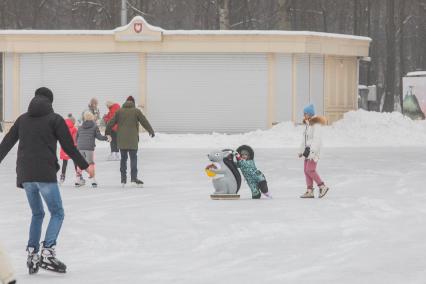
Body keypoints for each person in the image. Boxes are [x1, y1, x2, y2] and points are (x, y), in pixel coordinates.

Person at [0, 87, 92, 274]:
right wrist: (85, 165)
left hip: (26, 176)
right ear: (50, 101)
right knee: (57, 212)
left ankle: (33, 253)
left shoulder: (22, 119)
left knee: (37, 214)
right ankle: (48, 251)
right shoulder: (54, 119)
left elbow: (7, 142)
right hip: (45, 174)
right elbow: (69, 146)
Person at [105, 96, 155, 187]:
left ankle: (123, 180)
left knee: (123, 160)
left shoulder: (119, 111)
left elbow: (110, 123)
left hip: (122, 140)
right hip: (133, 140)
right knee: (133, 159)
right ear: (133, 102)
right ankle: (133, 179)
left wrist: (107, 132)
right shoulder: (136, 111)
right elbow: (144, 121)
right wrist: (150, 131)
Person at [298, 104, 330, 198]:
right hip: (307, 151)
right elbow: (304, 140)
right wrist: (301, 151)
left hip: (314, 151)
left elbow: (317, 139)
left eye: (305, 113)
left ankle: (322, 186)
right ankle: (309, 191)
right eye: (304, 113)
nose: (304, 115)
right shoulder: (308, 124)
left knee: (310, 170)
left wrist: (313, 152)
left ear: (310, 114)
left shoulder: (316, 125)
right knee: (306, 170)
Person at [76, 111, 109, 188]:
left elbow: (76, 138)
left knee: (79, 163)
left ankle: (77, 180)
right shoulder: (94, 127)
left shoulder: (80, 127)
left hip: (80, 147)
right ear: (92, 118)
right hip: (89, 148)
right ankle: (93, 180)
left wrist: (78, 145)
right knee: (90, 163)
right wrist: (106, 138)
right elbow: (99, 137)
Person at [59, 114, 82, 185]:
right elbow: (75, 139)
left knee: (64, 163)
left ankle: (62, 177)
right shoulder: (74, 129)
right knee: (76, 163)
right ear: (73, 122)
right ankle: (79, 177)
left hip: (64, 148)